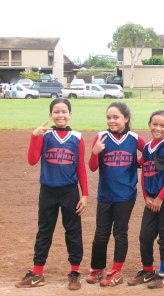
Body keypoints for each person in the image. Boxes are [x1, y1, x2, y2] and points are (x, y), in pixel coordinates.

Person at [15, 98, 88, 290]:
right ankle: (37, 272)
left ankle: (74, 272)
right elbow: (32, 160)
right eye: (56, 112)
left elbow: (80, 166)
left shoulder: (77, 137)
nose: (60, 115)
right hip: (47, 191)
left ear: (70, 114)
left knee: (73, 231)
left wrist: (85, 194)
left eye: (64, 111)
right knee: (44, 231)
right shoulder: (45, 136)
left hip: (70, 191)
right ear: (50, 115)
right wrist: (34, 136)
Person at [86, 102, 146, 287]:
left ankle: (116, 271)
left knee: (120, 233)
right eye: (109, 117)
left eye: (116, 117)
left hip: (125, 195)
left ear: (126, 119)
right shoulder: (101, 137)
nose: (112, 121)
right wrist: (95, 153)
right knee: (101, 233)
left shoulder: (134, 138)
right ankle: (97, 268)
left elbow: (149, 153)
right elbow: (93, 167)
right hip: (105, 194)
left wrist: (138, 162)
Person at [128, 111, 164, 289]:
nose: (158, 128)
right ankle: (148, 270)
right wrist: (146, 196)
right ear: (149, 124)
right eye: (154, 124)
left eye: (162, 125)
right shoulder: (148, 147)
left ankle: (163, 273)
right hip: (151, 199)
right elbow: (144, 172)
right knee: (145, 236)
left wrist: (160, 198)